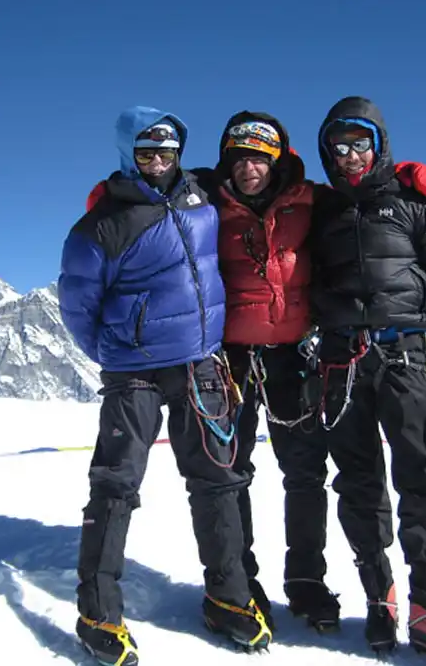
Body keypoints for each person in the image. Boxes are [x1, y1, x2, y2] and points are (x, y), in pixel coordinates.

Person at [209, 111, 426, 637]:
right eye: (237, 157)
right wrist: (115, 196)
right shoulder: (207, 200)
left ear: (280, 160)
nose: (248, 167)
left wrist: (402, 174)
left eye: (259, 156)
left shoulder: (310, 200)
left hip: (294, 356)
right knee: (230, 474)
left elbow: (365, 194)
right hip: (230, 359)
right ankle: (239, 584)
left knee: (306, 473)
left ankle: (306, 581)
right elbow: (162, 195)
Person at [58, 106, 272, 666]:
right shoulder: (101, 225)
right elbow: (78, 307)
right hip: (136, 373)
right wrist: (117, 352)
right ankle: (97, 612)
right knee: (116, 484)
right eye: (147, 152)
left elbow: (262, 171)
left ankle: (227, 598)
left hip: (201, 365)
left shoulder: (201, 192)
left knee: (217, 480)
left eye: (168, 152)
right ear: (128, 152)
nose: (159, 162)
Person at [307, 95, 426, 665]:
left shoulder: (416, 200)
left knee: (421, 477)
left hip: (403, 357)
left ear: (378, 146)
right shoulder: (320, 210)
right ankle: (380, 598)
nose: (349, 156)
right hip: (339, 362)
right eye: (338, 146)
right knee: (357, 481)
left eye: (360, 144)